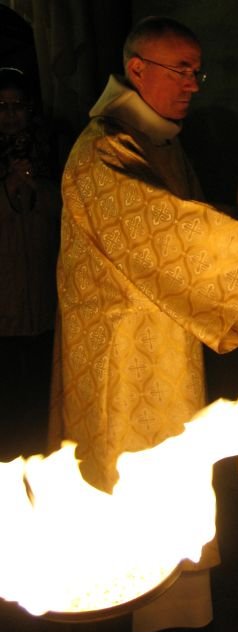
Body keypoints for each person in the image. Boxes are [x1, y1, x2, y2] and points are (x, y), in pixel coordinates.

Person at [46, 15, 238, 632]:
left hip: (159, 338)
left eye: (196, 70)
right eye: (179, 69)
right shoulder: (103, 147)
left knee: (167, 465)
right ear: (136, 70)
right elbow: (163, 230)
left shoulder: (157, 139)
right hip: (116, 353)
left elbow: (200, 219)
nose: (192, 84)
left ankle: (168, 607)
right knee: (123, 468)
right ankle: (115, 610)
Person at [0, 67, 60, 446]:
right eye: (1, 106)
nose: (10, 115)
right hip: (2, 293)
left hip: (42, 288)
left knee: (41, 386)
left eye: (18, 105)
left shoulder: (51, 151)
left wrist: (36, 186)